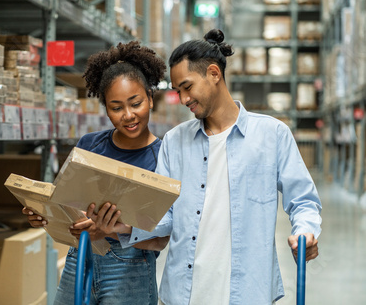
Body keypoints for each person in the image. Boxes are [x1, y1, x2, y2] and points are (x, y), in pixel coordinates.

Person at [89, 29, 323, 305]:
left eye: (187, 87)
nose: (183, 99)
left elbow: (303, 201)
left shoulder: (272, 135)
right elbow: (163, 215)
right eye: (178, 91)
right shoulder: (175, 141)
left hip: (248, 293)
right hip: (183, 294)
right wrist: (123, 225)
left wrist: (305, 231)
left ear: (214, 73)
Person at [22, 41, 168, 304]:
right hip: (80, 257)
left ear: (150, 97)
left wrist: (110, 231)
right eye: (116, 107)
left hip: (129, 270)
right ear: (105, 108)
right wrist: (47, 215)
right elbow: (69, 206)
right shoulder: (90, 145)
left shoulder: (163, 157)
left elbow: (162, 238)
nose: (128, 115)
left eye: (135, 103)